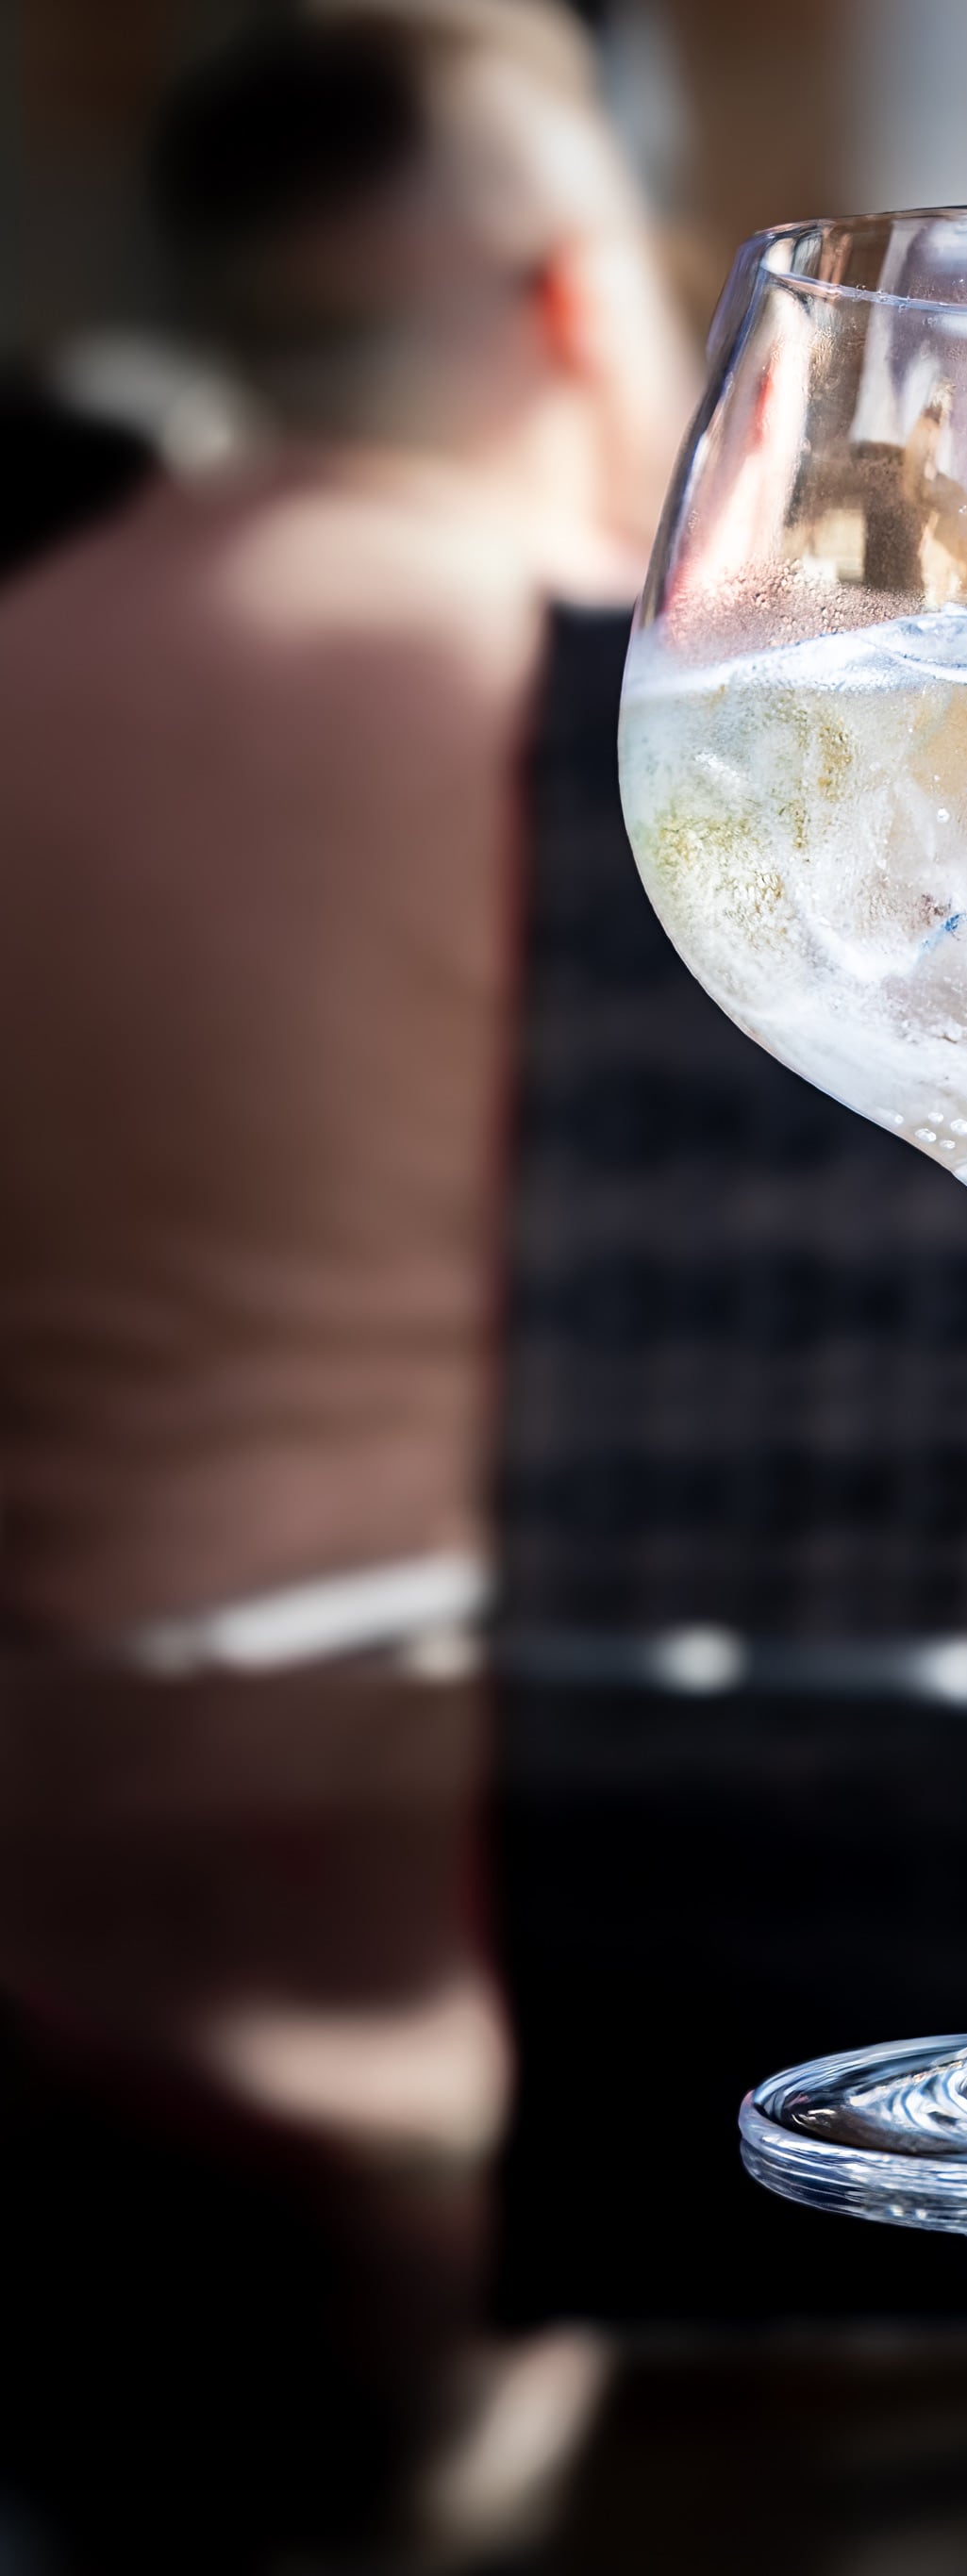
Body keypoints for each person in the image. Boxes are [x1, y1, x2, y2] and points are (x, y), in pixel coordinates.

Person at [0, 8, 681, 2559]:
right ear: (577, 305)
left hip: (56, 1974)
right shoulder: (606, 712)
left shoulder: (27, 645)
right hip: (517, 1960)